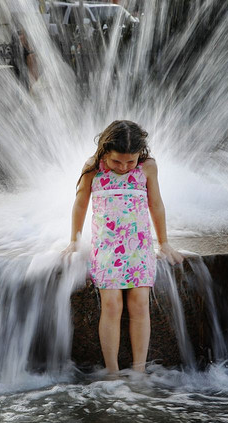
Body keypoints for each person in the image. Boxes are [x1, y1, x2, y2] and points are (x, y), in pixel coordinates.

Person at [65, 120, 183, 374]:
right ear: (105, 151)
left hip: (138, 247)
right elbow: (80, 204)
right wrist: (74, 240)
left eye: (130, 162)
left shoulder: (147, 168)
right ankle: (112, 372)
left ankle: (139, 371)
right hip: (107, 248)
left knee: (140, 303)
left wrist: (163, 243)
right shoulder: (94, 168)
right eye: (117, 162)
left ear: (140, 154)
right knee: (111, 305)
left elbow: (156, 205)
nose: (124, 167)